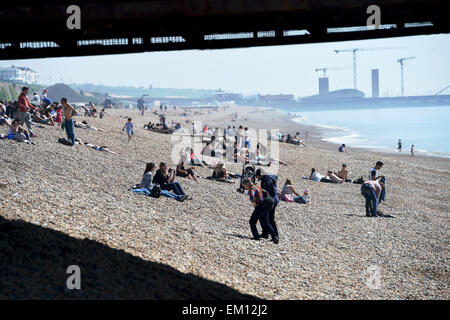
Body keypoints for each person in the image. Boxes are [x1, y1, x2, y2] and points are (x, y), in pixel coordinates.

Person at [242, 178, 278, 244]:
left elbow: (253, 199)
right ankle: (274, 236)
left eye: (244, 186)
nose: (244, 188)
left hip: (261, 205)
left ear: (247, 184)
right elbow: (264, 193)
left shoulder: (251, 190)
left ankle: (256, 237)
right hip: (268, 204)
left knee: (252, 221)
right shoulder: (257, 186)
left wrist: (255, 206)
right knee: (265, 221)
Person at [255, 168, 279, 239]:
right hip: (274, 199)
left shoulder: (267, 180)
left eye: (258, 176)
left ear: (261, 174)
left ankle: (273, 235)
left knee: (267, 218)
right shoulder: (269, 176)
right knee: (268, 218)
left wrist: (261, 201)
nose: (258, 178)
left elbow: (266, 192)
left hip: (270, 200)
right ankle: (266, 234)